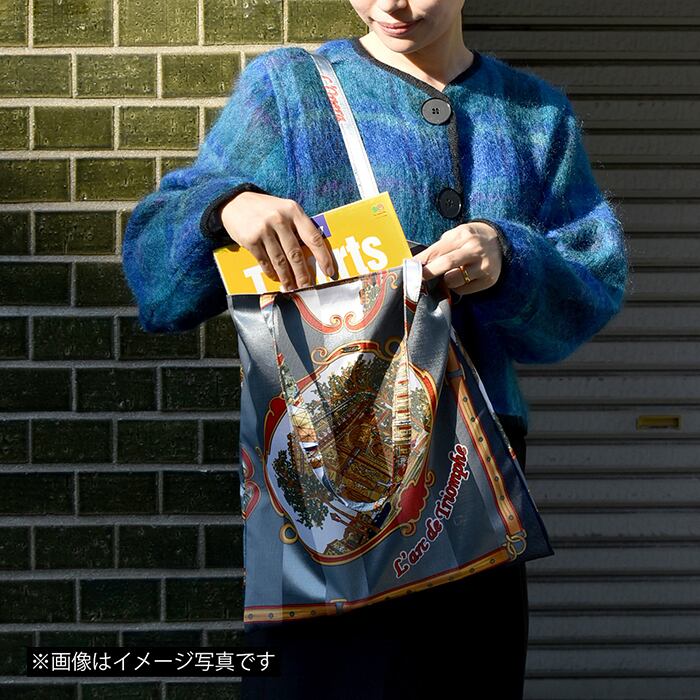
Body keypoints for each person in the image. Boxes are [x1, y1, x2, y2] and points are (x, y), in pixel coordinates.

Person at [121, 0, 630, 697]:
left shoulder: (534, 115)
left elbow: (590, 287)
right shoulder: (288, 91)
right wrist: (225, 207)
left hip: (472, 474)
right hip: (326, 467)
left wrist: (510, 258)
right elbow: (157, 273)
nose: (391, 4)